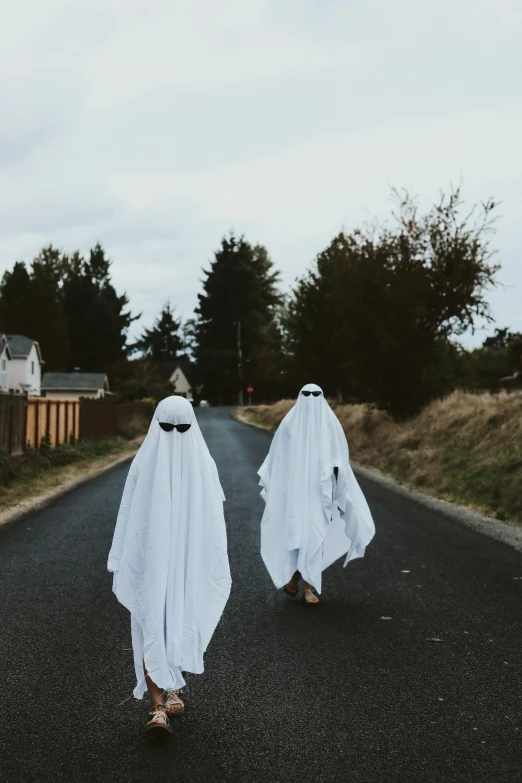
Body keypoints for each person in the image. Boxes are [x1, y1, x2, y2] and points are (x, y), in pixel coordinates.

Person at [108, 396, 231, 735]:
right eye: (167, 428)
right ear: (155, 425)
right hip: (150, 561)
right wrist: (122, 556)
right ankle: (157, 706)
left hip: (188, 562)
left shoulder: (203, 465)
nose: (174, 435)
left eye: (182, 428)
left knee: (183, 618)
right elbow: (127, 513)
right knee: (151, 622)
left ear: (192, 425)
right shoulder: (143, 464)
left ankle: (174, 685)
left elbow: (214, 520)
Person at [258, 383, 375, 605]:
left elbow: (340, 457)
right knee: (297, 536)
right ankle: (294, 578)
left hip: (321, 492)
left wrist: (337, 485)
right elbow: (277, 459)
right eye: (307, 395)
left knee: (316, 535)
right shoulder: (289, 425)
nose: (311, 399)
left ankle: (309, 587)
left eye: (316, 395)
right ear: (300, 396)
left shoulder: (330, 425)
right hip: (294, 493)